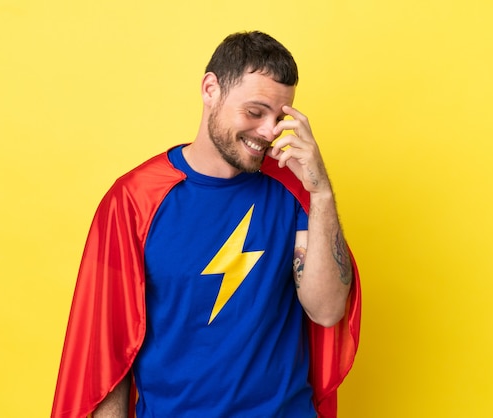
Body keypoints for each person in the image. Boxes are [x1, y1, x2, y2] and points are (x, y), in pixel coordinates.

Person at [52, 31, 361, 418]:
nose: (268, 132)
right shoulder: (135, 200)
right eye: (255, 112)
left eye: (279, 118)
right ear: (210, 89)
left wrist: (321, 193)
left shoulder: (294, 192)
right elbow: (106, 352)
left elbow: (328, 310)